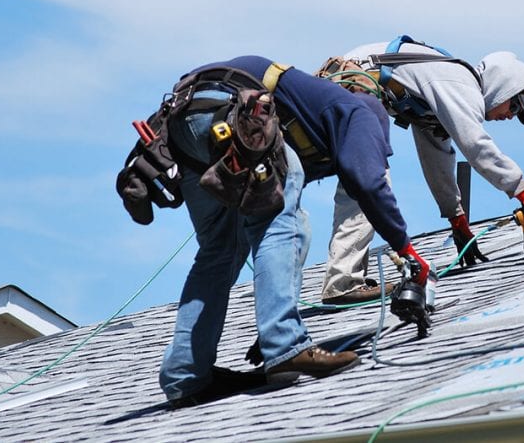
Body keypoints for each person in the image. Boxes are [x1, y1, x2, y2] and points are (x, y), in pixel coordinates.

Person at [155, 56, 431, 407]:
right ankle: (285, 344)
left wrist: (274, 312)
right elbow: (367, 181)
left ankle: (185, 375)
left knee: (221, 250)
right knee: (283, 222)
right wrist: (407, 250)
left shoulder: (307, 118)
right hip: (227, 110)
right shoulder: (362, 112)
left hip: (182, 121)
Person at [318, 38, 524, 305]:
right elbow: (476, 145)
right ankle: (343, 283)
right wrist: (523, 190)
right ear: (501, 88)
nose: (510, 116)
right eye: (514, 106)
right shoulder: (460, 84)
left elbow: (436, 157)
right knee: (371, 182)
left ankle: (346, 278)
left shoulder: (446, 94)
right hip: (348, 91)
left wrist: (456, 217)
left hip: (346, 94)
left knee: (364, 183)